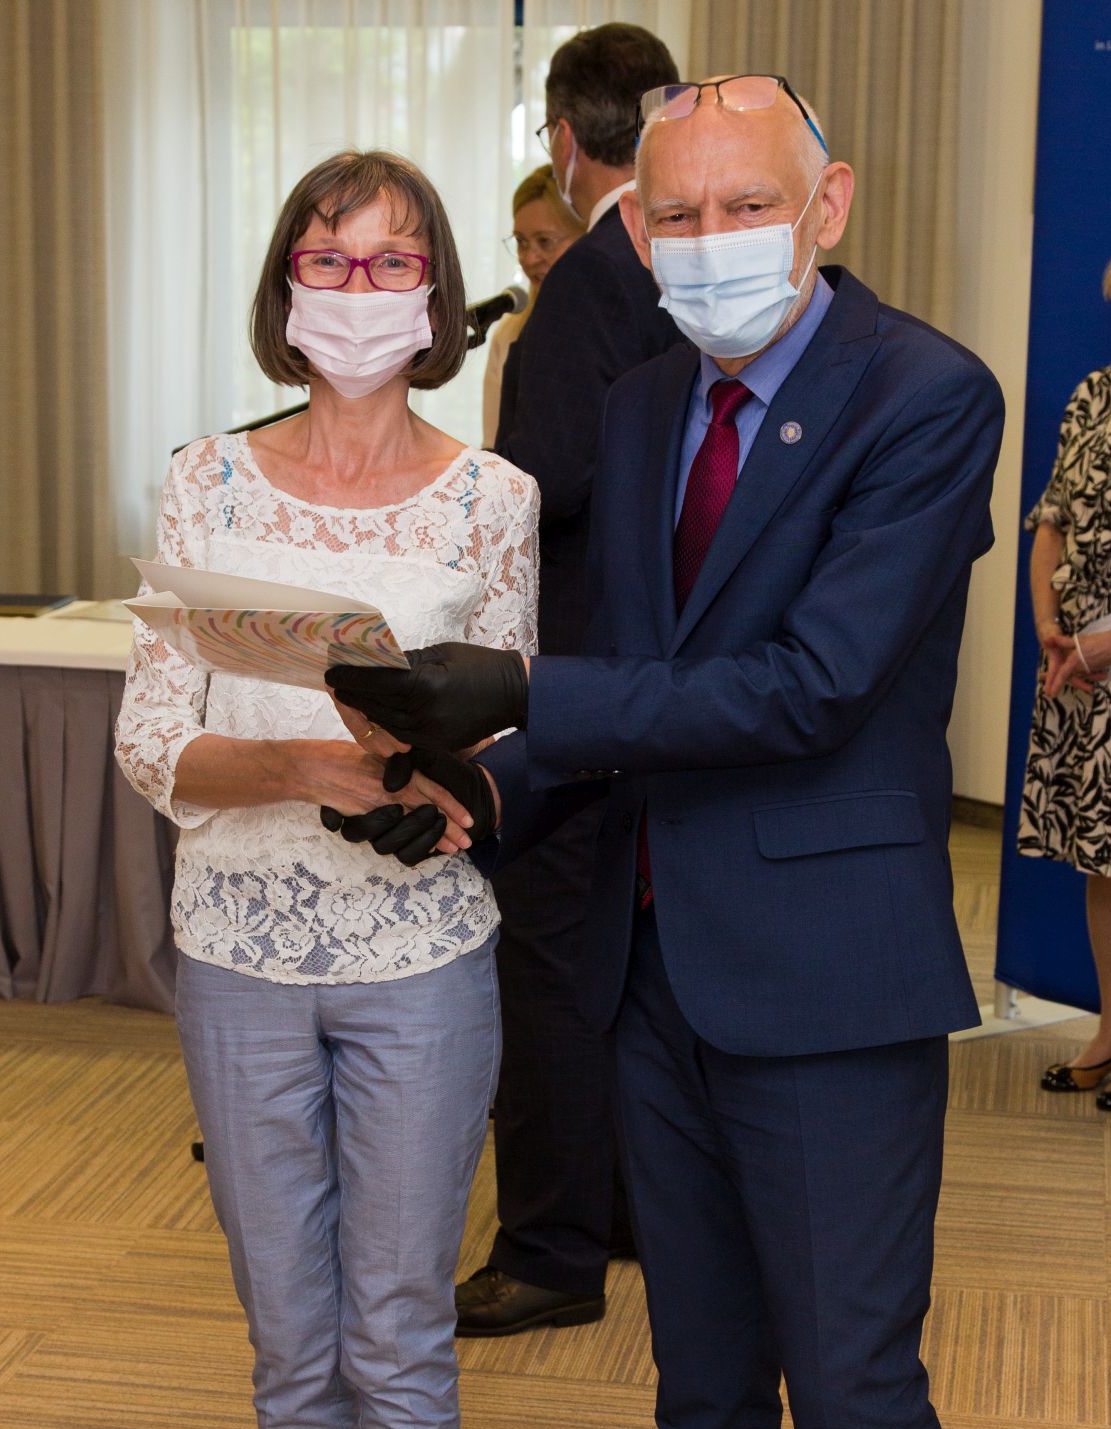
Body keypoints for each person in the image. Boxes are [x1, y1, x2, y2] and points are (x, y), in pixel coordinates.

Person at [327, 76, 1008, 1429]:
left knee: (853, 1397)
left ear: (829, 205)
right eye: (676, 217)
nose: (708, 244)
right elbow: (628, 681)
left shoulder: (926, 396)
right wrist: (480, 796)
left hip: (827, 980)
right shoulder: (638, 409)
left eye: (744, 207)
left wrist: (526, 695)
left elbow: (811, 688)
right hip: (653, 968)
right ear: (634, 229)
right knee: (700, 1387)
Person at [114, 149, 537, 1429]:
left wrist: (444, 782)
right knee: (290, 1336)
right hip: (237, 945)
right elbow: (153, 742)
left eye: (394, 263)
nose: (361, 291)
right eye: (331, 259)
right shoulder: (205, 481)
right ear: (286, 285)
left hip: (420, 957)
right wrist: (306, 762)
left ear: (436, 298)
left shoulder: (490, 498)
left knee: (395, 1328)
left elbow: (511, 740)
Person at [458, 22, 681, 1339]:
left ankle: (548, 1247)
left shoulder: (585, 290)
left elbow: (539, 497)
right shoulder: (689, 265)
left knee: (544, 963)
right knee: (634, 965)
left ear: (561, 140)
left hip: (580, 685)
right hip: (673, 686)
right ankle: (625, 1207)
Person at [1019, 225, 1111, 1110]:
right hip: (1086, 665)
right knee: (1106, 851)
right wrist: (1051, 627)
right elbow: (1052, 519)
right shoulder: (1095, 394)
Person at [481, 165, 583, 447]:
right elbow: (493, 444)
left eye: (544, 241)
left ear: (586, 238)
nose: (529, 258)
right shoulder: (508, 333)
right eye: (521, 242)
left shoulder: (604, 332)